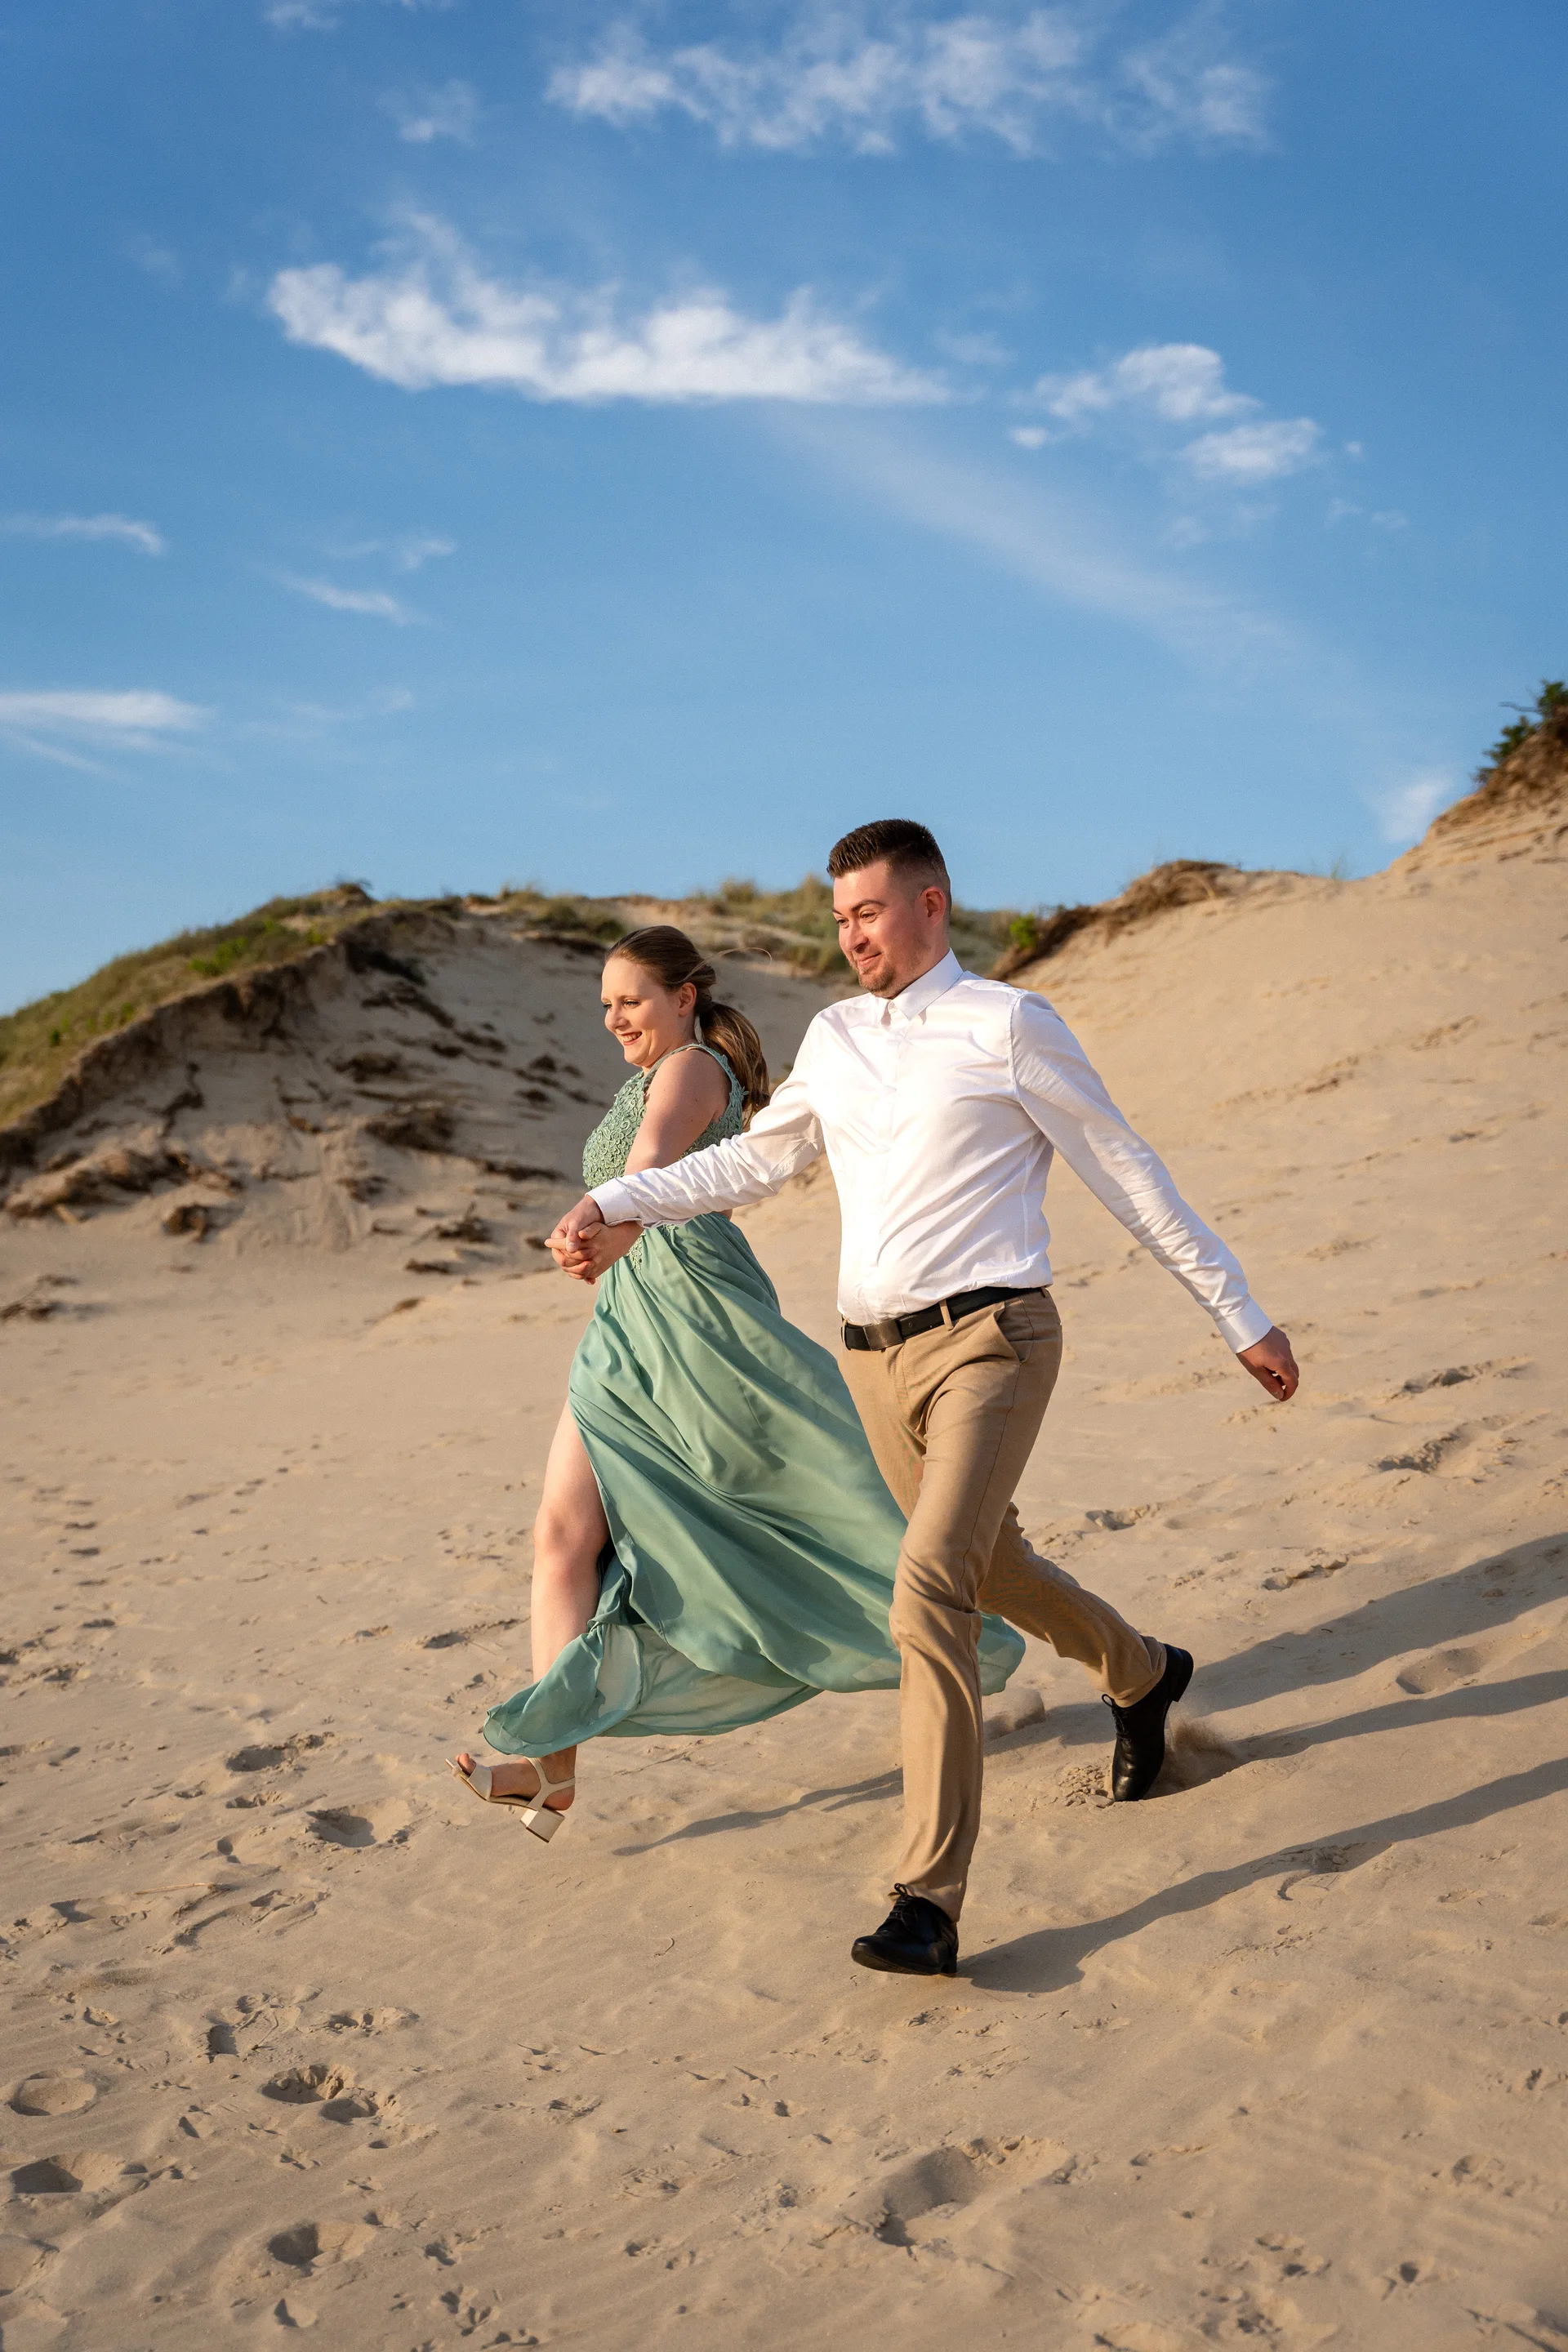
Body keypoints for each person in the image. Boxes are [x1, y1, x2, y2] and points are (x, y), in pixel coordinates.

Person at [551, 822, 1299, 1978]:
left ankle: (928, 1900)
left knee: (930, 1588)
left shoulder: (1009, 1024)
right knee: (989, 1565)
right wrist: (627, 1203)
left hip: (995, 1343)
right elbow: (756, 1161)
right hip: (871, 1362)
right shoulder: (838, 1037)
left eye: (869, 912)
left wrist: (1236, 1311)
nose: (851, 935)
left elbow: (1124, 1167)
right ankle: (1146, 1674)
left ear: (932, 904)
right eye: (839, 916)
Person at [450, 924, 1024, 1839]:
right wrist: (604, 1245)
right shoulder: (641, 1078)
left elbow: (651, 1170)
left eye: (630, 1000)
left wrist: (616, 1225)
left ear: (684, 996)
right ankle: (549, 1769)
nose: (615, 1019)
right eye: (605, 1005)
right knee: (562, 1535)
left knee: (804, 1502)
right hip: (623, 1324)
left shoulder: (692, 1069)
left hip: (695, 1310)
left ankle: (953, 1634)